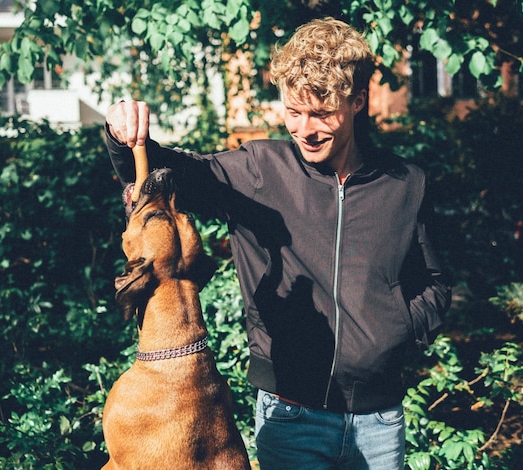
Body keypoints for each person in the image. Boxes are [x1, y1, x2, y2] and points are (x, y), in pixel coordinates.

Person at [104, 17, 451, 470]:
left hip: (380, 419)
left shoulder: (405, 184)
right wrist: (120, 135)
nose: (305, 129)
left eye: (321, 113)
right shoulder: (260, 170)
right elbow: (166, 175)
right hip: (292, 417)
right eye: (293, 111)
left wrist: (395, 329)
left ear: (358, 101)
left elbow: (434, 282)